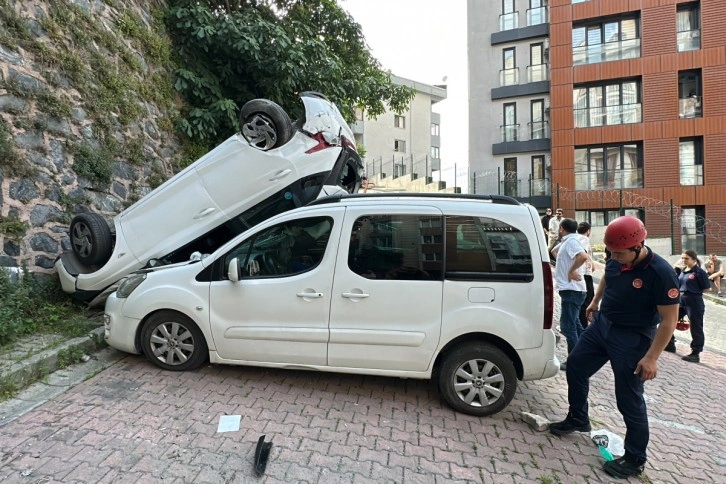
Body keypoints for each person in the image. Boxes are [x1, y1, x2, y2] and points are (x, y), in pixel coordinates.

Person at [549, 216, 679, 480]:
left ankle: (634, 459)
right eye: (611, 253)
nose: (614, 257)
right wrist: (595, 301)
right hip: (602, 326)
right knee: (575, 365)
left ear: (638, 246)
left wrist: (652, 358)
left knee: (628, 398)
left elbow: (669, 321)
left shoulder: (661, 273)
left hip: (632, 338)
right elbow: (609, 276)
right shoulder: (616, 257)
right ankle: (578, 417)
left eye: (620, 254)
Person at [551, 218, 588, 370]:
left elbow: (583, 256)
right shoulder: (568, 241)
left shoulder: (572, 241)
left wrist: (571, 270)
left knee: (568, 326)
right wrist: (563, 265)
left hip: (573, 290)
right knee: (576, 325)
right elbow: (553, 251)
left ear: (561, 228)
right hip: (570, 290)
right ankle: (584, 353)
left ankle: (574, 361)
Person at [677, 250, 710, 363]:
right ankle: (669, 344)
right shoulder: (682, 271)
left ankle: (695, 353)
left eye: (686, 258)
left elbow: (707, 288)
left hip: (694, 301)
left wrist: (694, 290)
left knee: (696, 327)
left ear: (694, 260)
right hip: (681, 300)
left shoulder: (699, 272)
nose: (683, 260)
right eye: (682, 258)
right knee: (668, 320)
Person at [576, 222, 594, 329]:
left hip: (582, 273)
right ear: (588, 231)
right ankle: (583, 326)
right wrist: (586, 263)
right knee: (587, 300)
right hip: (586, 274)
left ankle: (583, 324)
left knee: (586, 299)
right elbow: (583, 254)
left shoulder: (574, 238)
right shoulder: (584, 239)